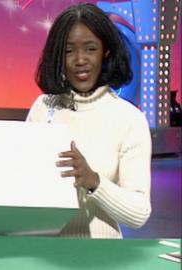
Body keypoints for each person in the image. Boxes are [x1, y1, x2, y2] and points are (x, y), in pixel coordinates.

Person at [27, 3, 151, 238]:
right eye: (69, 51)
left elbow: (139, 213)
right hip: (43, 251)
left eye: (90, 49)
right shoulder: (43, 109)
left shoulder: (130, 119)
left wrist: (94, 181)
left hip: (102, 256)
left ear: (106, 52)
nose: (80, 59)